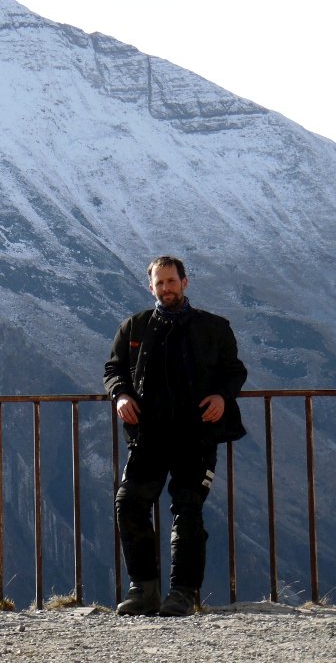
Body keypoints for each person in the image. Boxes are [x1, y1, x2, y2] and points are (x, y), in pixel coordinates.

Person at [103, 255, 248, 616]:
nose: (166, 288)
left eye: (171, 281)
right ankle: (144, 590)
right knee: (129, 503)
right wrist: (120, 394)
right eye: (159, 282)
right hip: (148, 437)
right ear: (150, 286)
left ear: (185, 282)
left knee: (187, 509)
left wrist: (221, 396)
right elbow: (113, 369)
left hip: (196, 436)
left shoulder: (214, 328)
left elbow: (234, 371)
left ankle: (182, 593)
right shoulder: (133, 328)